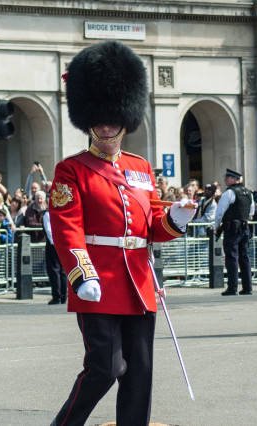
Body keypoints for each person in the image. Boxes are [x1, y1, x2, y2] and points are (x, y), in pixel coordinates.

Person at [49, 40, 195, 426]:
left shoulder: (140, 167)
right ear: (89, 119)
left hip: (138, 282)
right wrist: (81, 275)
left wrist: (176, 218)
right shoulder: (72, 170)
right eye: (100, 117)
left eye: (113, 117)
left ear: (124, 117)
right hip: (98, 281)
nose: (107, 124)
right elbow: (68, 229)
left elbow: (149, 227)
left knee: (140, 374)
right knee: (105, 368)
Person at [214, 168, 254, 296]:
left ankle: (232, 287)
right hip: (244, 227)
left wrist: (217, 225)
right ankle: (248, 287)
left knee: (232, 258)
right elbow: (251, 212)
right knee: (244, 257)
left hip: (232, 229)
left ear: (235, 179)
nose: (225, 179)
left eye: (228, 177)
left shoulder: (229, 193)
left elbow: (220, 211)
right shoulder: (248, 193)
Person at [43, 206, 67, 305]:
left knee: (54, 270)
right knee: (62, 270)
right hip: (63, 242)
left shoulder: (47, 214)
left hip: (53, 244)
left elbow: (48, 230)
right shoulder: (62, 211)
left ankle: (57, 296)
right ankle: (63, 296)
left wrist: (53, 242)